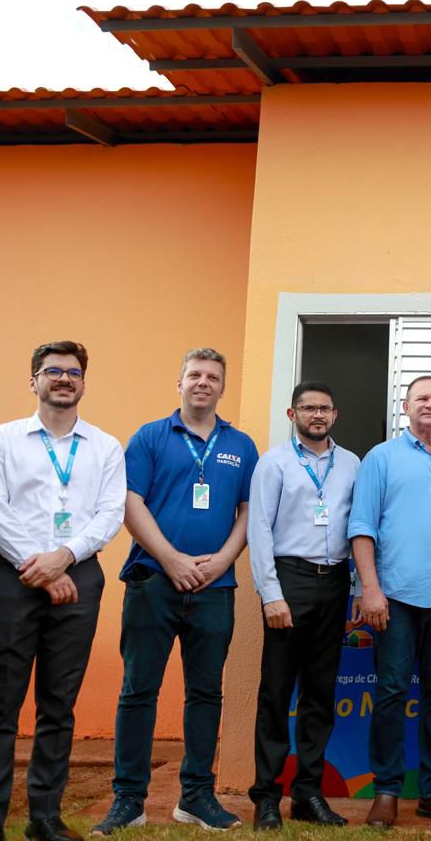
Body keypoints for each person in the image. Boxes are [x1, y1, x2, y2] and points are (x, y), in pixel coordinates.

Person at [92, 349, 258, 835]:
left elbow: (249, 511)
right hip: (153, 582)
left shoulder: (241, 445)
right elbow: (129, 501)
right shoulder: (149, 437)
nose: (203, 383)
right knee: (138, 691)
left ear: (222, 388)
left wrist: (224, 560)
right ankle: (129, 800)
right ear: (179, 383)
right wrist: (170, 558)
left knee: (206, 693)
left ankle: (197, 797)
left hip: (215, 586)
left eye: (212, 377)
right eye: (194, 375)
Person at [0, 341, 126, 841]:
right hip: (14, 577)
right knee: (0, 705)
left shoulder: (104, 445)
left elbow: (110, 513)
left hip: (79, 577)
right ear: (33, 380)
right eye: (52, 371)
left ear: (84, 382)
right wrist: (39, 564)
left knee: (58, 705)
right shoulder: (1, 439)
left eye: (73, 372)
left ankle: (44, 817)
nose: (64, 378)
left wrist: (65, 558)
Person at [348, 375, 431, 828]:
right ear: (406, 406)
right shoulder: (381, 458)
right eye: (422, 397)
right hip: (396, 596)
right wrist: (370, 588)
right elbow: (361, 526)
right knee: (391, 692)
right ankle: (385, 792)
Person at [247, 381, 359, 830]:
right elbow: (259, 530)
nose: (317, 415)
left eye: (324, 409)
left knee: (320, 693)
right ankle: (267, 797)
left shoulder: (351, 463)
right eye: (308, 408)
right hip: (288, 579)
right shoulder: (273, 463)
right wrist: (271, 594)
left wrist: (354, 588)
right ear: (292, 415)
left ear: (335, 415)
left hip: (334, 582)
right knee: (276, 693)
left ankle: (308, 794)